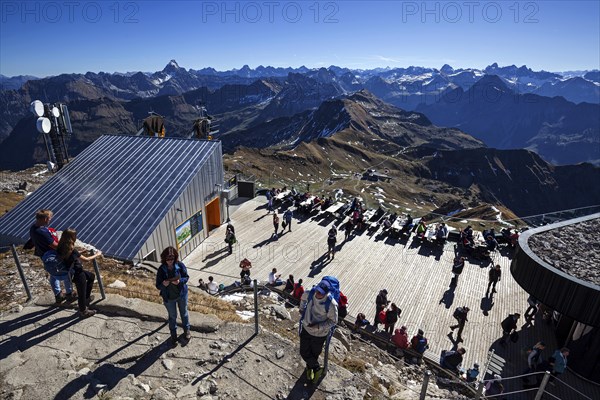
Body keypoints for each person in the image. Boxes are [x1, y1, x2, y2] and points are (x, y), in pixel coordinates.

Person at [29, 209, 75, 303]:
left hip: (43, 255)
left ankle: (58, 294)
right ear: (45, 219)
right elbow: (54, 245)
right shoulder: (42, 232)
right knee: (66, 272)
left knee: (53, 274)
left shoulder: (33, 228)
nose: (50, 220)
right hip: (52, 255)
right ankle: (69, 293)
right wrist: (68, 248)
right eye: (49, 218)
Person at [299, 280, 338, 383]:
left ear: (326, 293)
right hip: (307, 328)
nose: (317, 293)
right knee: (303, 351)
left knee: (314, 353)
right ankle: (317, 368)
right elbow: (303, 298)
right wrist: (301, 308)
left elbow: (333, 321)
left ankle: (309, 369)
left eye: (320, 292)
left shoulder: (331, 304)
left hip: (320, 334)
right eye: (317, 290)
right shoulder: (310, 292)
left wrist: (318, 326)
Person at [55, 229, 100, 318]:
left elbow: (70, 255)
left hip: (71, 272)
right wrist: (97, 254)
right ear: (72, 237)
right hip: (78, 273)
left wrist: (80, 252)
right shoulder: (71, 249)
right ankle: (83, 311)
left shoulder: (61, 247)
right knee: (81, 292)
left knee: (91, 276)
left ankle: (86, 299)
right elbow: (86, 260)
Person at [155, 246, 191, 345]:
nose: (170, 261)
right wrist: (163, 285)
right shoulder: (161, 270)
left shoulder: (180, 265)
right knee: (172, 316)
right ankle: (173, 335)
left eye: (172, 258)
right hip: (169, 297)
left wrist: (180, 281)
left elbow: (186, 277)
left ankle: (186, 330)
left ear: (175, 257)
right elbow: (158, 285)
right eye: (168, 259)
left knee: (184, 313)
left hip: (181, 295)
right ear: (164, 258)